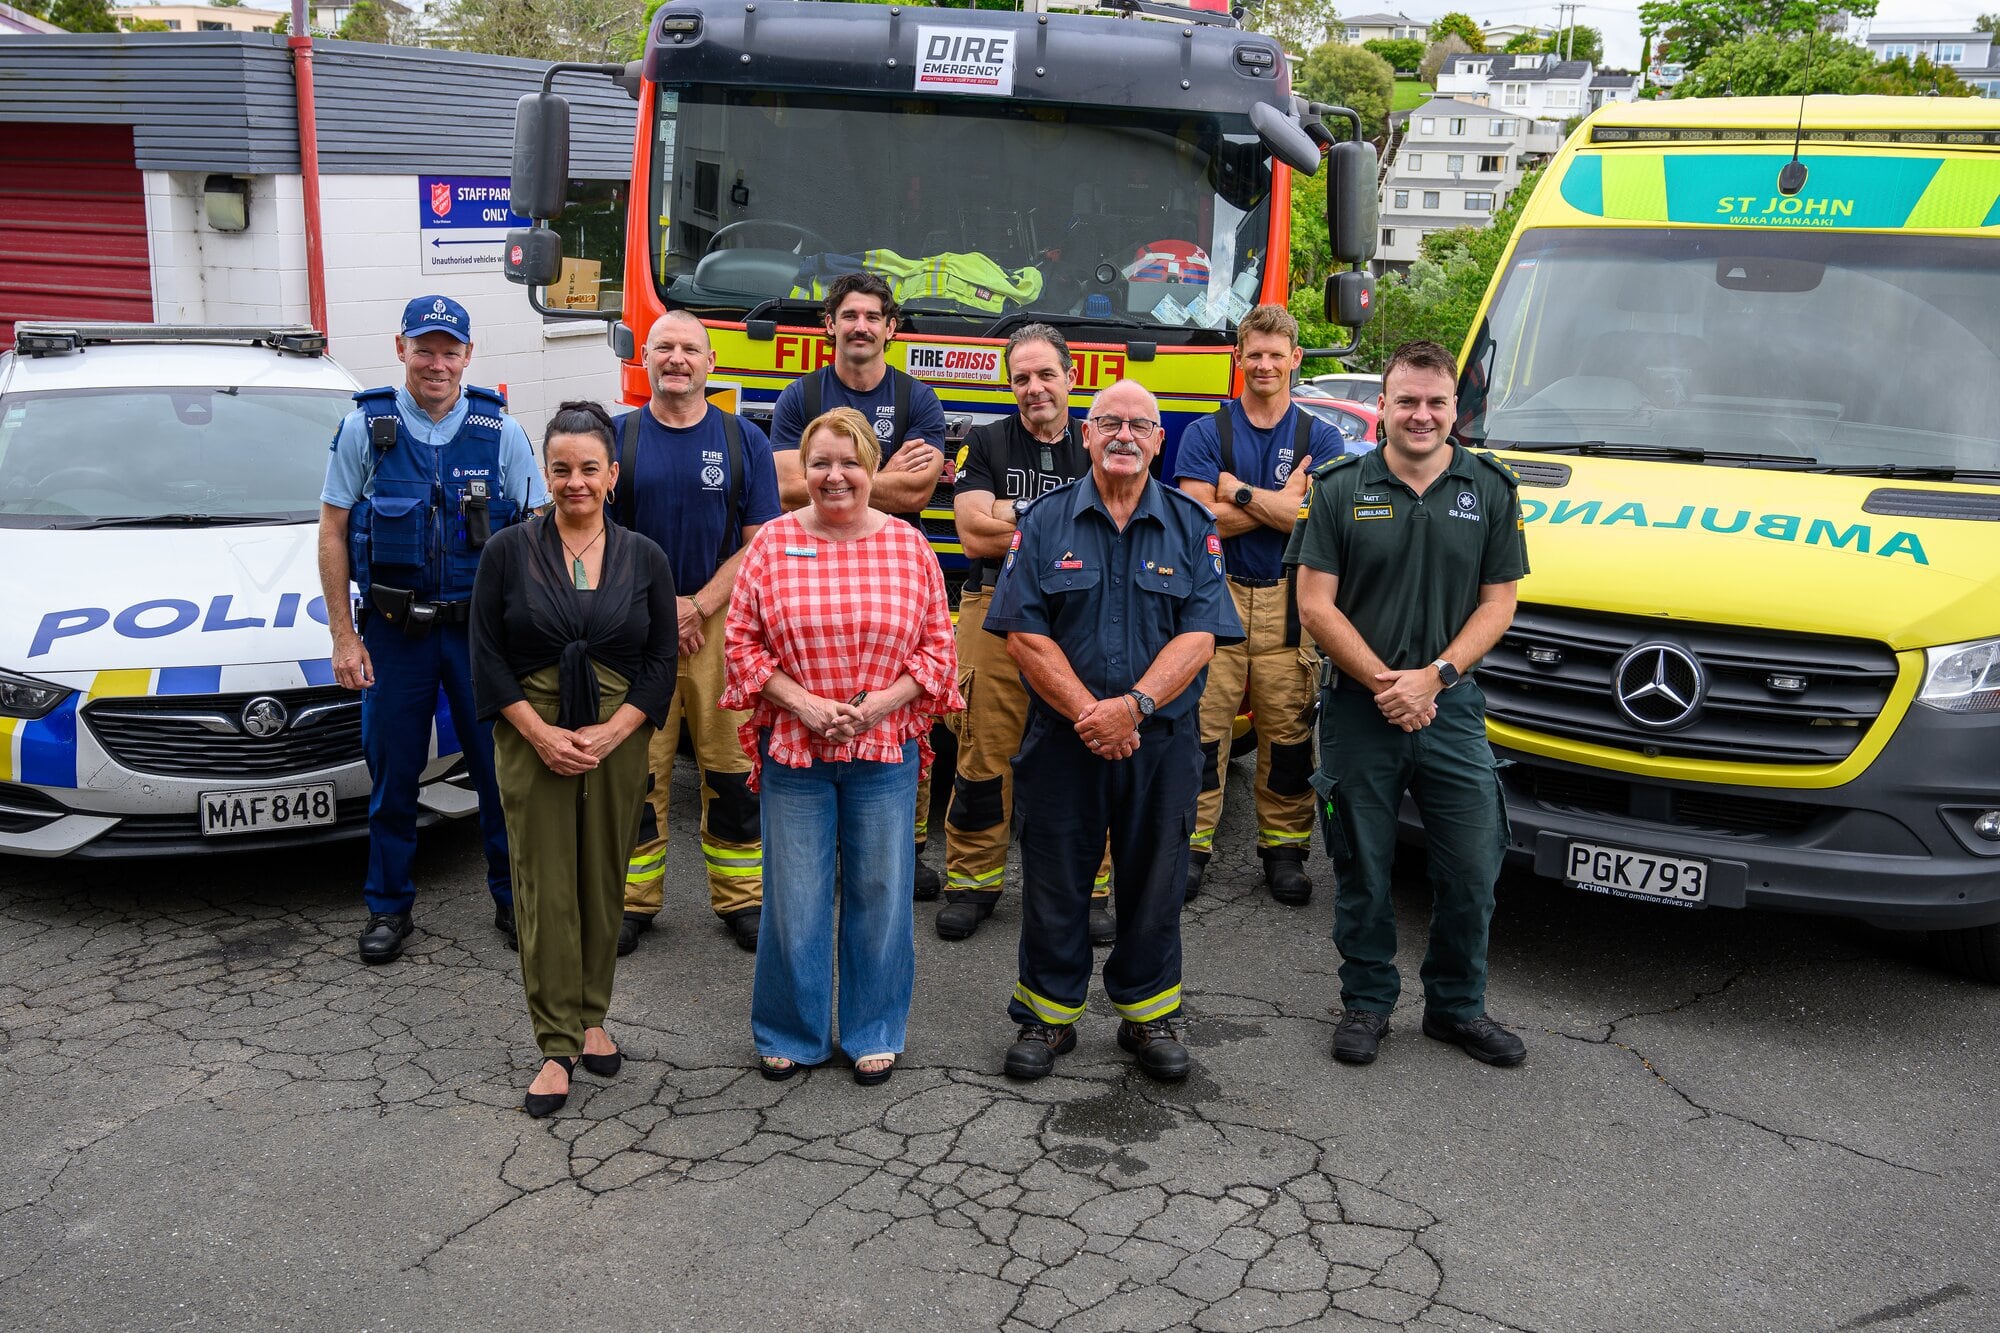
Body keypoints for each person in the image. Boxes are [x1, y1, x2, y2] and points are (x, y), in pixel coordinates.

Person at [986, 380, 1242, 1083]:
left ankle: (1148, 1015)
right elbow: (1023, 632)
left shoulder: (1192, 523)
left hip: (1159, 740)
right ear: (1088, 435)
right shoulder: (1043, 520)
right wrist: (1088, 714)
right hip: (1064, 739)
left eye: (1140, 424)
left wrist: (1131, 706)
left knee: (1155, 878)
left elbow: (1201, 637)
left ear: (1160, 440)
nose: (1125, 434)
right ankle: (1047, 1016)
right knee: (1055, 877)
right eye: (1109, 422)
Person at [1285, 340, 1529, 1069]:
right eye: (1407, 401)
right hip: (1362, 711)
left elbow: (1500, 603)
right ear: (1382, 406)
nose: (1421, 415)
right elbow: (1314, 604)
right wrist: (1390, 684)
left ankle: (1456, 1007)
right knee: (1362, 863)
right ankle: (1366, 1002)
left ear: (1456, 410)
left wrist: (1436, 676)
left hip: (1450, 708)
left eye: (1436, 403)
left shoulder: (1489, 487)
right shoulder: (1336, 486)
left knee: (1472, 864)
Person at [721, 407, 961, 1087]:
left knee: (881, 893)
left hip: (883, 748)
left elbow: (937, 648)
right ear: (802, 470)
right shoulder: (770, 542)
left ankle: (873, 1028)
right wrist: (804, 704)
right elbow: (741, 644)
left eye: (850, 461)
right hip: (795, 747)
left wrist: (874, 707)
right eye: (819, 462)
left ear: (872, 468)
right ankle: (790, 1031)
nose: (835, 475)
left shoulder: (909, 547)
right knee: (795, 897)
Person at [318, 294, 547, 965]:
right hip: (393, 634)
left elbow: (535, 539)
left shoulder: (499, 431)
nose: (437, 363)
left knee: (501, 775)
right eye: (425, 348)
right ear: (401, 349)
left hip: (479, 635)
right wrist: (342, 634)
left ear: (468, 355)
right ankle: (389, 908)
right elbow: (332, 532)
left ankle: (512, 898)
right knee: (392, 776)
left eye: (450, 350)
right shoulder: (367, 427)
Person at [471, 403, 678, 1117]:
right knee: (545, 887)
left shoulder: (644, 555)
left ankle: (593, 1015)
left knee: (602, 880)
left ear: (612, 474)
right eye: (561, 468)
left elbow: (661, 661)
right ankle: (555, 1043)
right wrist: (540, 733)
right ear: (546, 473)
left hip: (616, 737)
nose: (575, 481)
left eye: (590, 468)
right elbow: (488, 658)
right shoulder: (507, 551)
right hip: (533, 735)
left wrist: (616, 731)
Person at [770, 272, 949, 902]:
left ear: (891, 329)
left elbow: (920, 493)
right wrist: (883, 475)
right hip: (810, 575)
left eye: (873, 316)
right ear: (830, 325)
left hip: (893, 582)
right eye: (849, 315)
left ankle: (902, 847)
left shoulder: (917, 399)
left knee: (901, 717)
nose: (861, 327)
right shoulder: (799, 397)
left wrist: (829, 476)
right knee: (812, 705)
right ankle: (836, 849)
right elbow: (785, 488)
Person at [938, 326, 1113, 945]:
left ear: (1070, 377)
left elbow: (1112, 526)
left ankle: (1089, 887)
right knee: (984, 752)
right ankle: (972, 881)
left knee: (1086, 750)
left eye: (1045, 375)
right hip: (998, 607)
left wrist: (1011, 512)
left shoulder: (1100, 439)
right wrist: (1058, 516)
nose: (1034, 388)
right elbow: (973, 539)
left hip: (1082, 614)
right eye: (1021, 378)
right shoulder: (985, 442)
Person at [614, 311, 782, 957]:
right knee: (637, 773)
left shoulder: (745, 441)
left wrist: (699, 605)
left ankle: (741, 900)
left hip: (723, 631)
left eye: (689, 348)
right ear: (646, 360)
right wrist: (666, 608)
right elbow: (597, 537)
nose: (677, 358)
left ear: (712, 362)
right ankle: (631, 901)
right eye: (664, 347)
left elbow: (758, 544)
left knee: (732, 770)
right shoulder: (618, 436)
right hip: (637, 630)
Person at [1173, 304, 1348, 907]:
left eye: (1278, 354)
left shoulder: (1321, 437)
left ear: (1296, 359)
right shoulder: (1206, 433)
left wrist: (1238, 491)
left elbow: (1315, 523)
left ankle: (1284, 851)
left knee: (1290, 735)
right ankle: (1189, 847)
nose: (1266, 364)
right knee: (1201, 732)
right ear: (1237, 358)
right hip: (1216, 598)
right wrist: (1280, 503)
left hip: (1290, 602)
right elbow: (1199, 526)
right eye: (1256, 354)